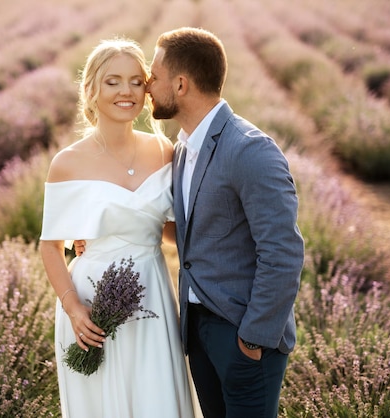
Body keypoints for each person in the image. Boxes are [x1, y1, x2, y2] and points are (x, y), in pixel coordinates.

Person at [146, 27, 305, 418]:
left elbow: (283, 252)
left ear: (180, 85)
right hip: (198, 331)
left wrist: (252, 339)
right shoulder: (183, 147)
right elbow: (194, 234)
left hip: (242, 335)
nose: (148, 86)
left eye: (154, 76)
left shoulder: (249, 149)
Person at [39, 38, 194, 418]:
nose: (126, 91)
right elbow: (50, 246)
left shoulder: (165, 151)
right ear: (91, 90)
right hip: (91, 304)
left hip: (152, 294)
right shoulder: (67, 163)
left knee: (155, 397)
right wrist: (74, 308)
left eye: (136, 81)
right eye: (112, 81)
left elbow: (171, 231)